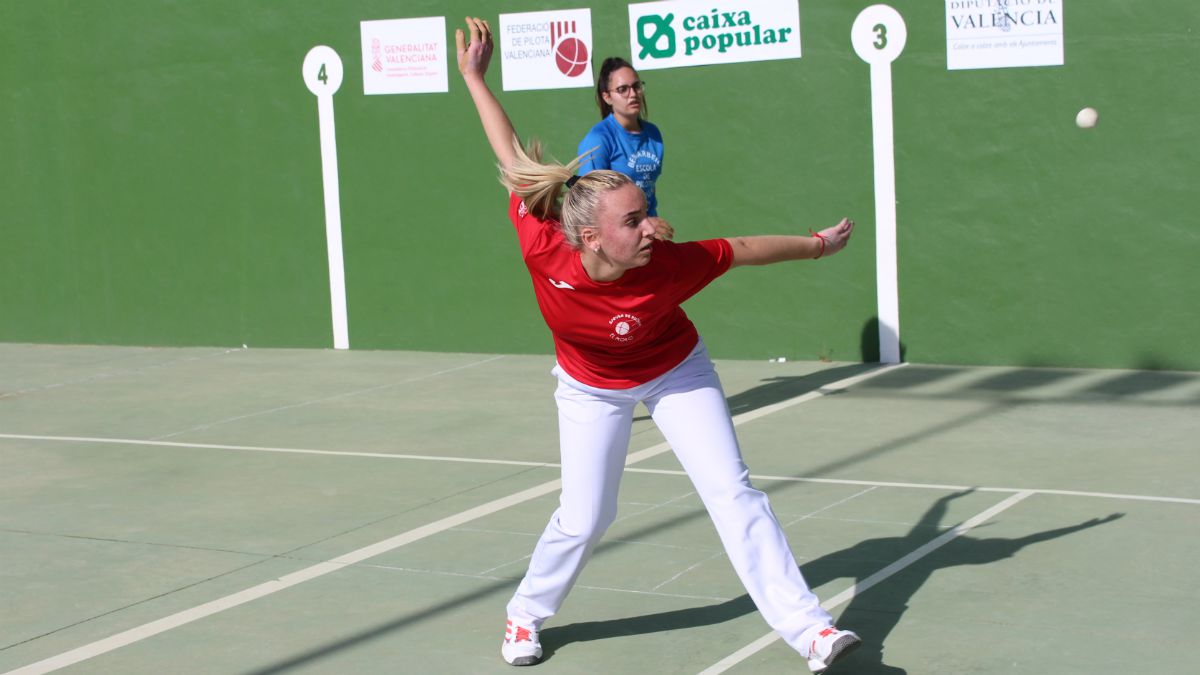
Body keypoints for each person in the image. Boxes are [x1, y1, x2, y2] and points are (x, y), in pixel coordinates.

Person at [455, 17, 860, 673]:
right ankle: (526, 611)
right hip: (590, 386)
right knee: (587, 516)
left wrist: (817, 244)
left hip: (677, 370)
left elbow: (744, 249)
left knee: (734, 493)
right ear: (590, 238)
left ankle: (809, 628)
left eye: (646, 211)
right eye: (634, 219)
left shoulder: (667, 263)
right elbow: (510, 156)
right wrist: (475, 76)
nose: (653, 226)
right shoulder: (543, 240)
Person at [577, 57, 671, 241]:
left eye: (636, 86)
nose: (633, 94)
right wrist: (640, 222)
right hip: (615, 239)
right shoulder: (598, 140)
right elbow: (591, 202)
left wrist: (649, 222)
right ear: (607, 97)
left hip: (649, 234)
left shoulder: (653, 134)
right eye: (623, 89)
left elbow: (648, 184)